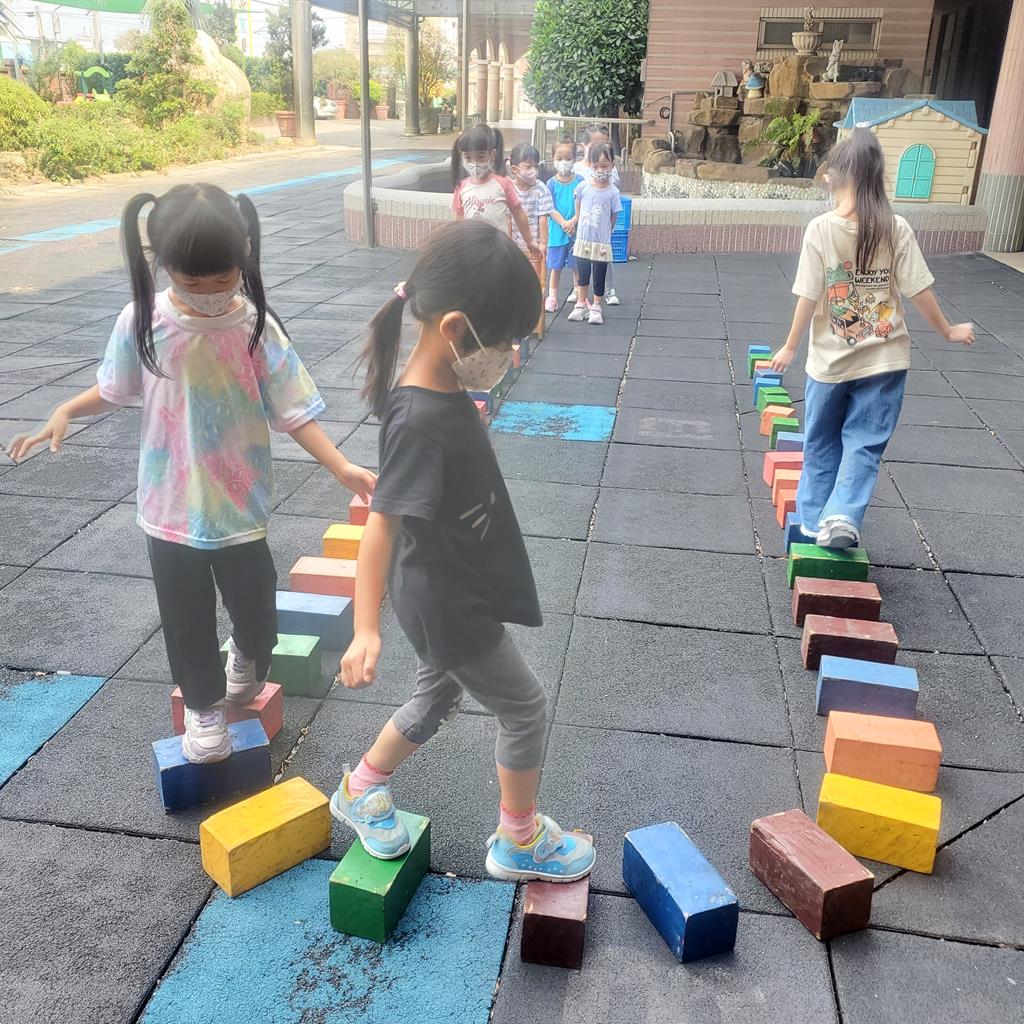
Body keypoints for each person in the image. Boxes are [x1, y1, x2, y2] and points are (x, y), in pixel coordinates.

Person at [5, 184, 376, 765]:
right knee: (186, 620)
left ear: (245, 253)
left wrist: (341, 465)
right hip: (169, 506)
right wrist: (67, 410)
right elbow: (114, 388)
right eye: (191, 282)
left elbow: (293, 409)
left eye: (222, 279)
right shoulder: (143, 320)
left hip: (238, 502)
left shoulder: (254, 326)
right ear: (162, 264)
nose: (208, 294)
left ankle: (249, 654)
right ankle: (204, 707)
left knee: (258, 611)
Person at [331, 219, 596, 883]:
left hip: (447, 583)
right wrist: (365, 629)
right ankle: (519, 839)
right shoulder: (421, 419)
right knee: (524, 707)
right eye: (503, 341)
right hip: (446, 601)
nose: (510, 353)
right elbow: (381, 525)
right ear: (454, 329)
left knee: (436, 697)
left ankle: (361, 787)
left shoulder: (443, 388)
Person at [771, 129, 974, 549]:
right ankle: (841, 516)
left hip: (830, 363)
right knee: (863, 443)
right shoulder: (895, 227)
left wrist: (791, 346)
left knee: (821, 442)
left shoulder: (822, 229)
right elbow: (918, 289)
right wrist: (948, 330)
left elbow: (807, 294)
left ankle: (811, 521)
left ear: (837, 175)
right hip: (885, 358)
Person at [451, 123, 541, 260]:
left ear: (492, 155)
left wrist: (529, 240)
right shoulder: (462, 187)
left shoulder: (503, 183)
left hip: (498, 250)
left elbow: (519, 213)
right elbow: (459, 220)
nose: (474, 163)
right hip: (472, 250)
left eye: (480, 157)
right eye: (468, 158)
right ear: (461, 156)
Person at [568, 141, 622, 326]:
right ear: (589, 165)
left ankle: (597, 306)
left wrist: (607, 231)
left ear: (612, 165)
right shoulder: (583, 187)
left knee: (599, 275)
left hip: (601, 242)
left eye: (604, 166)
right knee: (582, 274)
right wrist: (577, 220)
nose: (600, 170)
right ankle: (581, 303)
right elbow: (578, 205)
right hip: (583, 239)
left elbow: (614, 215)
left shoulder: (613, 192)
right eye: (596, 166)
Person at [508, 142, 553, 333]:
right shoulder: (508, 188)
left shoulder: (540, 188)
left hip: (533, 246)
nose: (533, 171)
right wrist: (508, 242)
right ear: (515, 169)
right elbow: (507, 218)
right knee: (512, 283)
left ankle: (532, 320)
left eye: (535, 166)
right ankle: (513, 319)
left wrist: (543, 243)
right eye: (528, 167)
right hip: (513, 244)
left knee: (534, 283)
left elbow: (543, 217)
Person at [544, 139, 583, 313]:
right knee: (556, 266)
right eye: (559, 158)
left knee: (577, 265)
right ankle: (552, 297)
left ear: (575, 158)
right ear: (552, 158)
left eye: (568, 158)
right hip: (556, 232)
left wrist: (573, 221)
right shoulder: (551, 184)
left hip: (577, 231)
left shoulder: (580, 182)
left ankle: (579, 292)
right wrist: (564, 224)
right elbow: (550, 208)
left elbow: (583, 206)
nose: (563, 162)